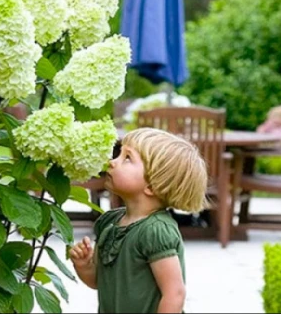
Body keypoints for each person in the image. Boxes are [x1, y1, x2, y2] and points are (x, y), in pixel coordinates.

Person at [69, 127, 208, 313]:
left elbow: (174, 294)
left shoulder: (156, 231)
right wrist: (84, 265)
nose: (112, 162)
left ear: (151, 185)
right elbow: (98, 282)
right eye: (118, 154)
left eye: (127, 158)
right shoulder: (109, 223)